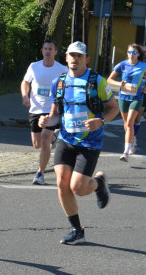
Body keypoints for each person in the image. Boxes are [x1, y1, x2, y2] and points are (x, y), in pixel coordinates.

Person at [41, 41, 116, 245]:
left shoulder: (97, 81)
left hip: (90, 142)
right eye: (71, 55)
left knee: (78, 188)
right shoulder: (59, 82)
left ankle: (98, 183)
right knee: (61, 183)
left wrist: (101, 121)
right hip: (66, 139)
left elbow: (114, 108)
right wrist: (46, 121)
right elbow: (55, 115)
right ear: (66, 58)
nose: (75, 59)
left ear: (86, 59)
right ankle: (77, 230)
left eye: (79, 56)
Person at [20, 39, 67, 185]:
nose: (47, 51)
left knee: (45, 138)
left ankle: (40, 174)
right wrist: (25, 96)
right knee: (37, 144)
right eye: (45, 49)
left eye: (50, 49)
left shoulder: (62, 69)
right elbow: (25, 82)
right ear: (42, 51)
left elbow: (69, 85)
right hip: (36, 109)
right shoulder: (34, 66)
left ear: (55, 52)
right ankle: (55, 137)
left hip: (52, 110)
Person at [107, 44, 146, 162]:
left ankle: (126, 152)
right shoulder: (122, 64)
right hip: (123, 97)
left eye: (134, 53)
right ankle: (131, 140)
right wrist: (119, 84)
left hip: (137, 97)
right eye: (129, 52)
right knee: (126, 123)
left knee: (130, 123)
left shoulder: (144, 66)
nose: (131, 55)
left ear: (138, 54)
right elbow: (109, 80)